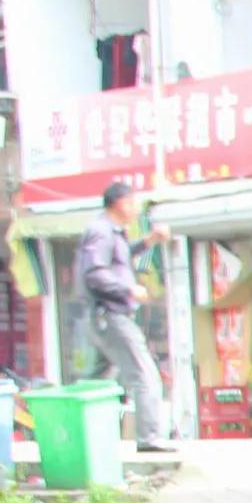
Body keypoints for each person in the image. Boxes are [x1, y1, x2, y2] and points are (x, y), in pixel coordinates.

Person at [75, 181, 175, 453]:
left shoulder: (112, 233)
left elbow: (119, 257)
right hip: (111, 316)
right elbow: (94, 273)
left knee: (96, 384)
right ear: (120, 203)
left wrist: (148, 241)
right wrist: (128, 288)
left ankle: (81, 437)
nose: (136, 210)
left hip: (103, 317)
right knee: (145, 375)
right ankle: (149, 438)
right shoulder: (101, 231)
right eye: (133, 204)